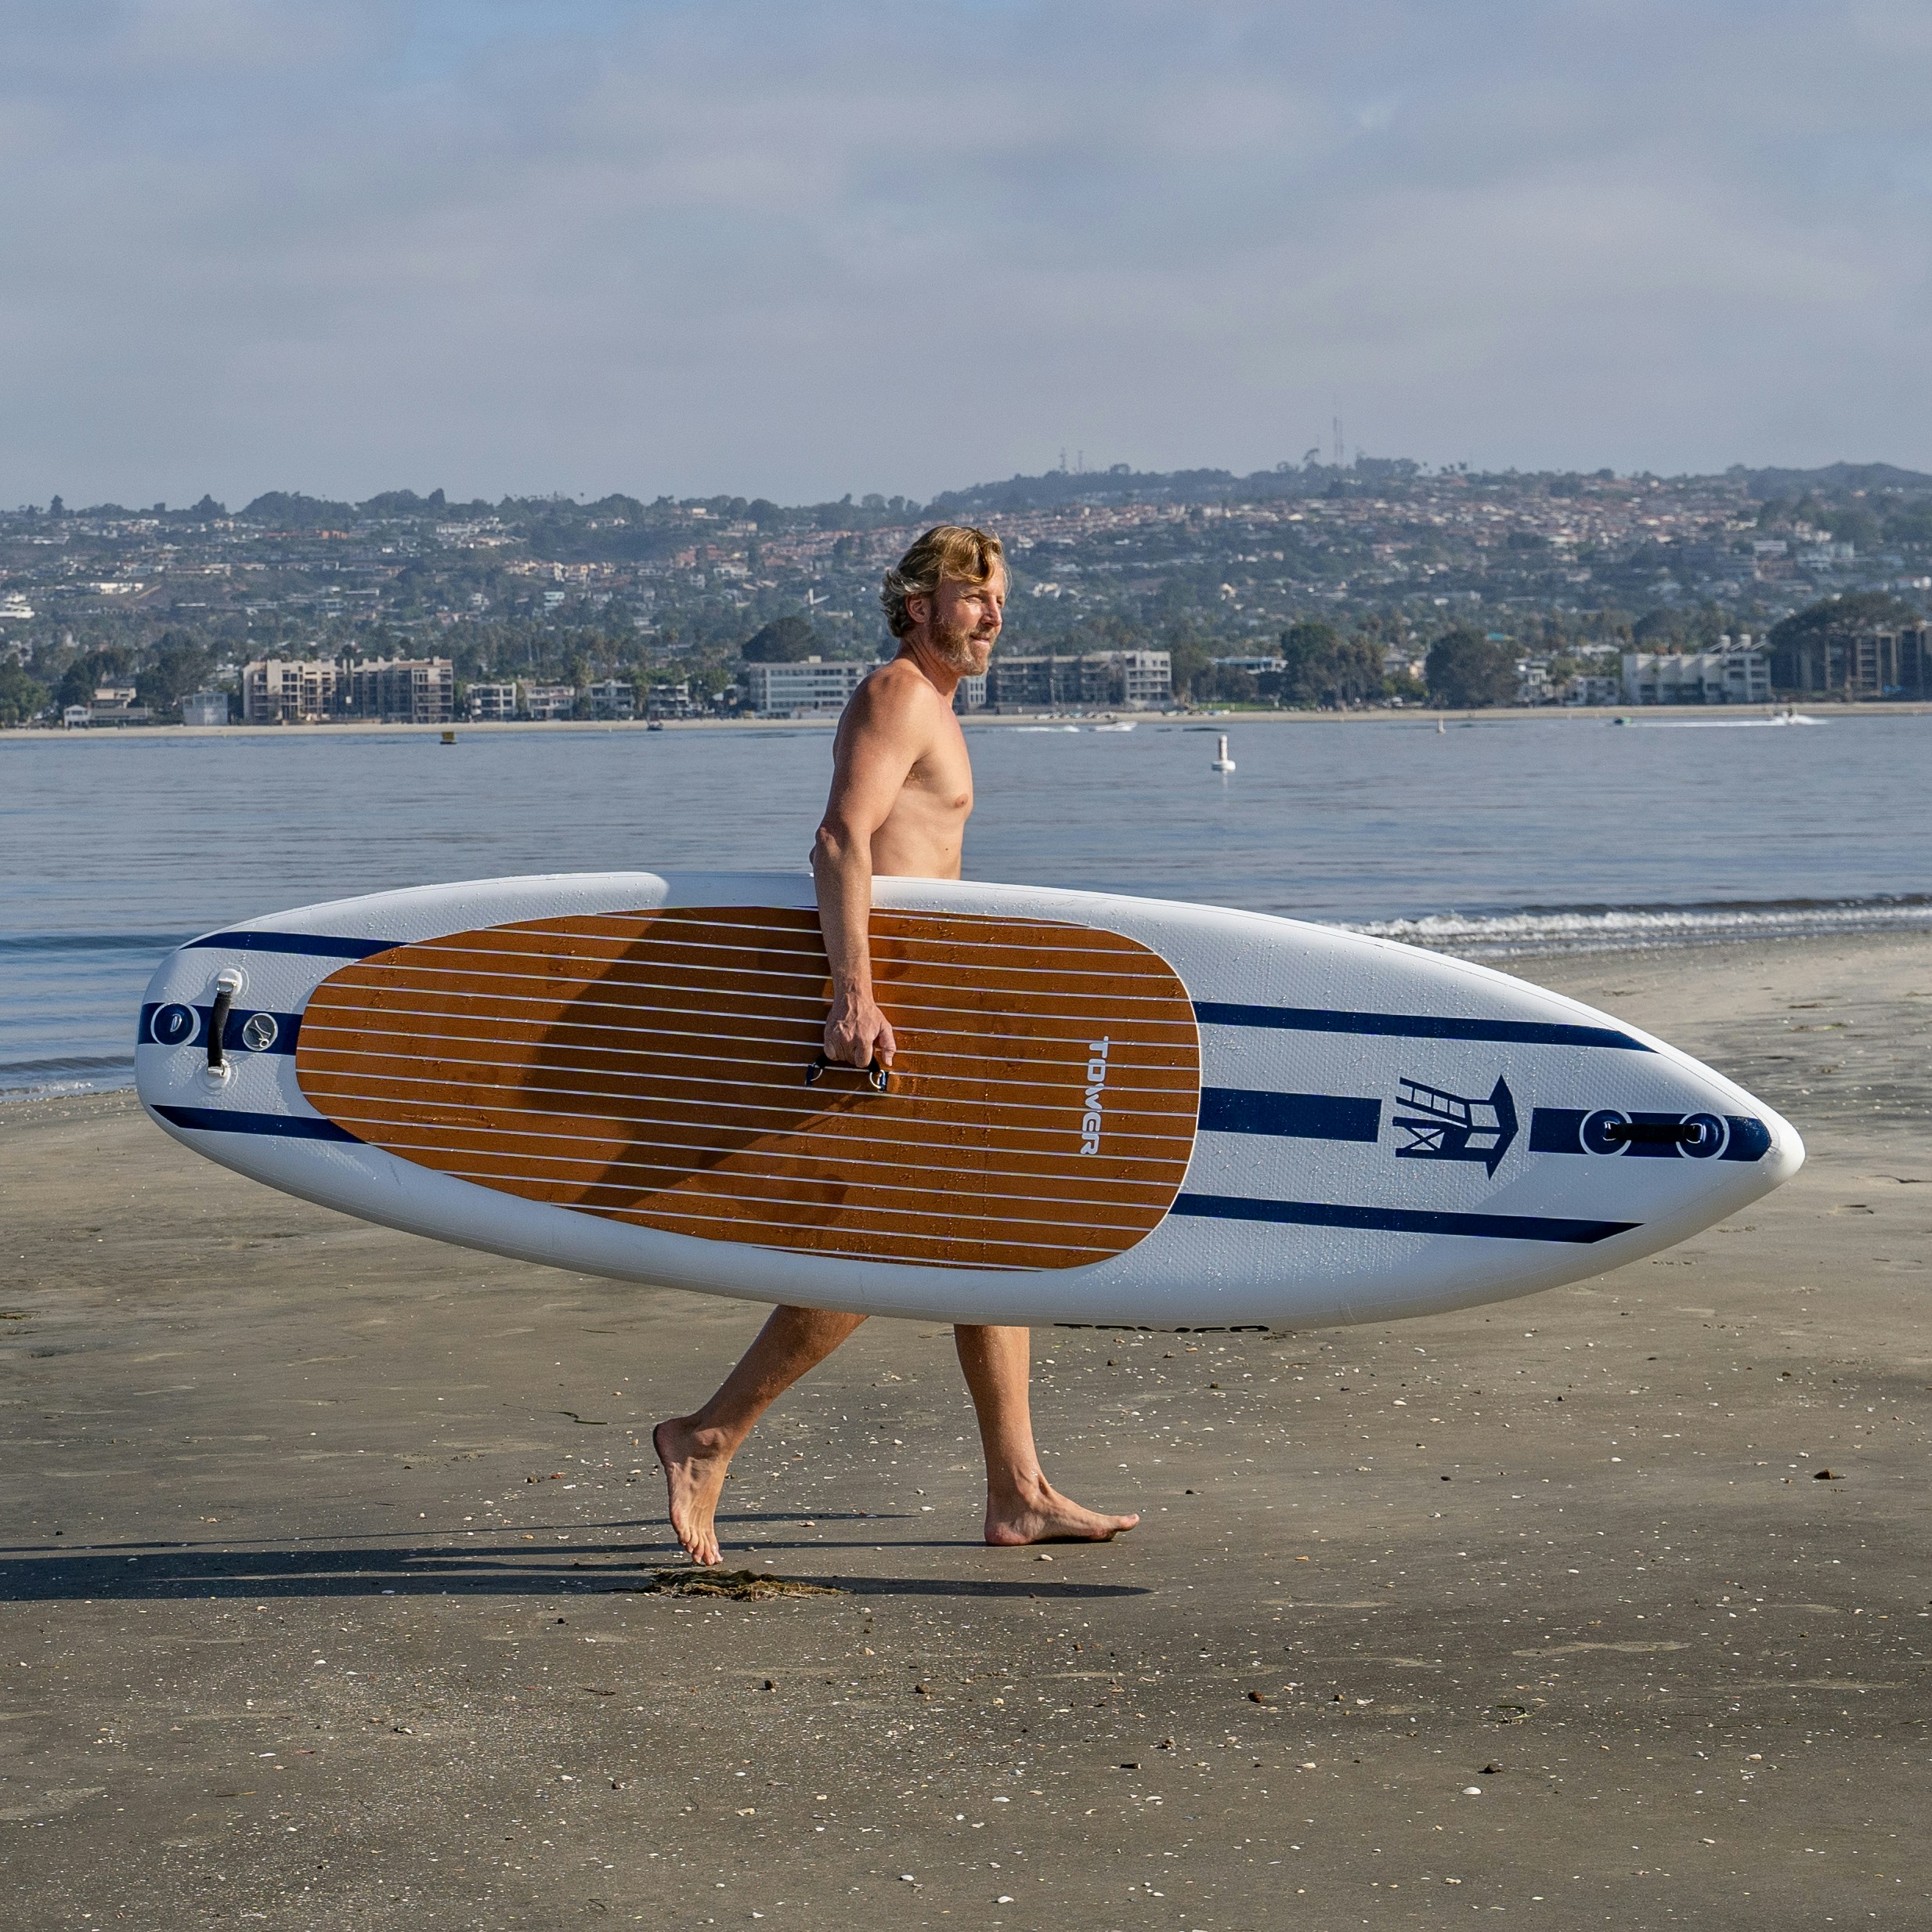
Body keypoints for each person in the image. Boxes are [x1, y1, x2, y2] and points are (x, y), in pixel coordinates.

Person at [652, 524, 1139, 1565]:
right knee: (888, 1239)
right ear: (916, 602)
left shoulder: (937, 709)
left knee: (990, 1238)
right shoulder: (897, 697)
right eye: (972, 594)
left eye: (1000, 595)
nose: (993, 613)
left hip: (934, 1005)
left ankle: (1019, 1491)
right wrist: (852, 995)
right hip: (888, 1011)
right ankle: (708, 1436)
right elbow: (840, 839)